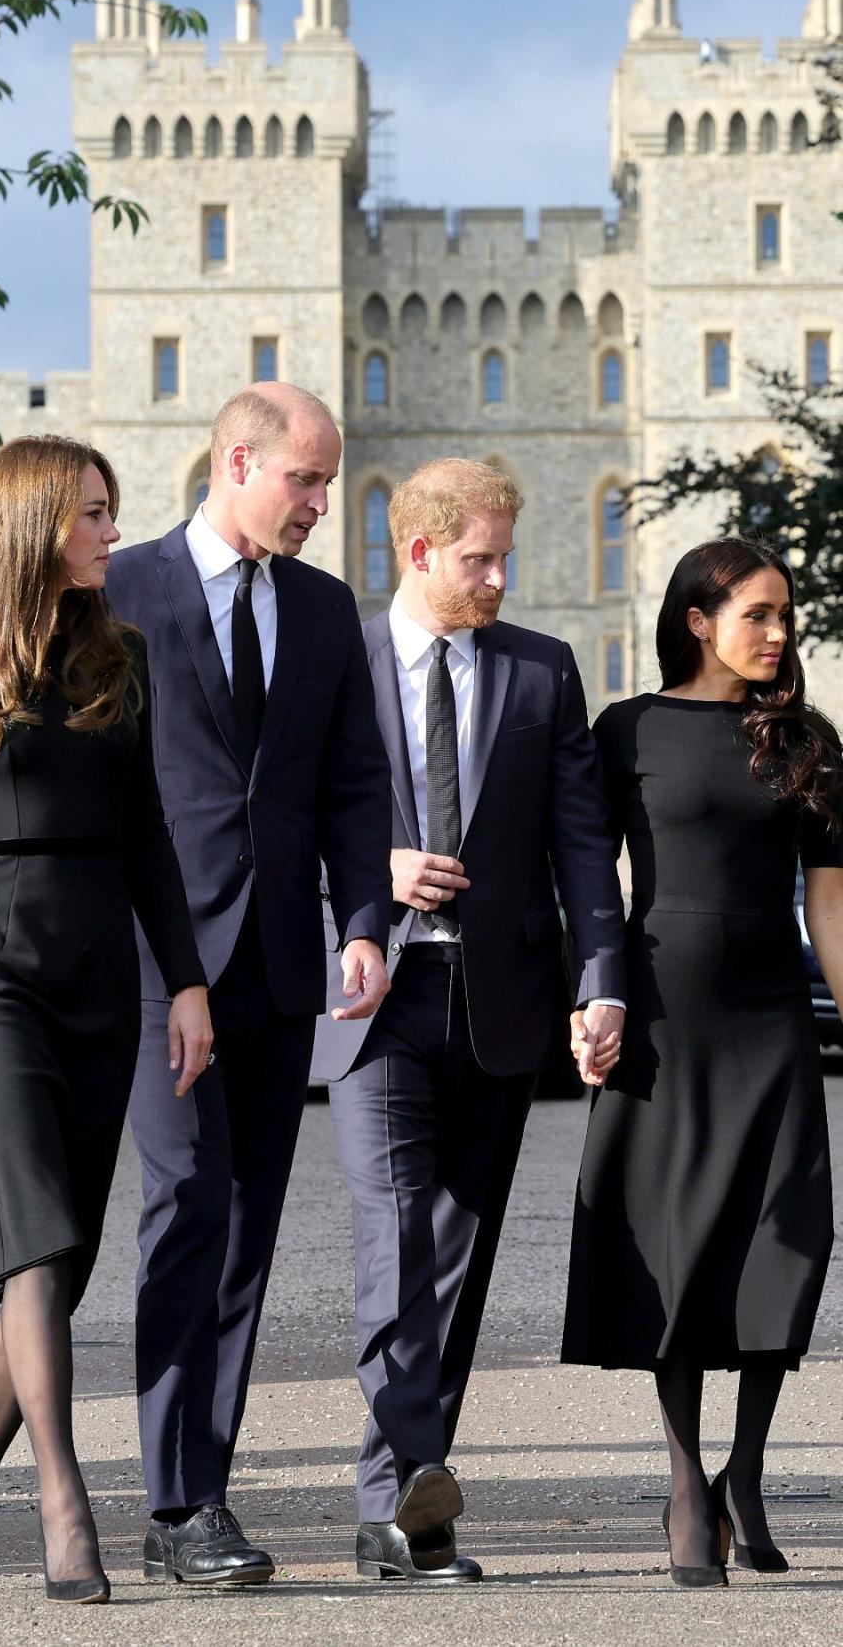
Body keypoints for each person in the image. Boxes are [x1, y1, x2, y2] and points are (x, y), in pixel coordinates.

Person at [0, 436, 212, 1605]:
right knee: (33, 1238)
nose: (111, 533)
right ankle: (65, 1505)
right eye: (92, 514)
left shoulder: (120, 652)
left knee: (56, 1261)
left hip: (99, 979)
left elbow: (150, 834)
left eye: (113, 513)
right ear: (31, 519)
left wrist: (184, 982)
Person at [312, 458, 626, 1582]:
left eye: (505, 557)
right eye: (479, 559)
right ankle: (405, 1491)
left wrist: (603, 978)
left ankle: (405, 1501)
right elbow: (270, 820)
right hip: (375, 994)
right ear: (417, 553)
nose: (500, 578)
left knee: (459, 1257)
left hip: (501, 1003)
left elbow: (582, 844)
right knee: (394, 1233)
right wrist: (369, 870)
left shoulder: (542, 672)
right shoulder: (334, 658)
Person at [103, 381, 392, 1587]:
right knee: (185, 1210)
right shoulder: (120, 593)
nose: (324, 504)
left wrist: (365, 921)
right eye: (306, 480)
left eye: (328, 483)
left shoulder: (325, 613)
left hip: (281, 969)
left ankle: (199, 1494)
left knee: (246, 1232)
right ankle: (174, 1502)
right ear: (236, 462)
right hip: (155, 965)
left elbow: (353, 785)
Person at [562, 537, 843, 1587]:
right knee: (678, 1251)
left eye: (786, 617)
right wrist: (595, 994)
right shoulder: (627, 729)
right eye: (756, 614)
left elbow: (831, 901)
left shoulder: (807, 739)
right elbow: (588, 871)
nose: (777, 634)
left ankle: (747, 1472)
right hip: (663, 1015)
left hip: (772, 1015)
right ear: (698, 619)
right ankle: (687, 1480)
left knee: (783, 1248)